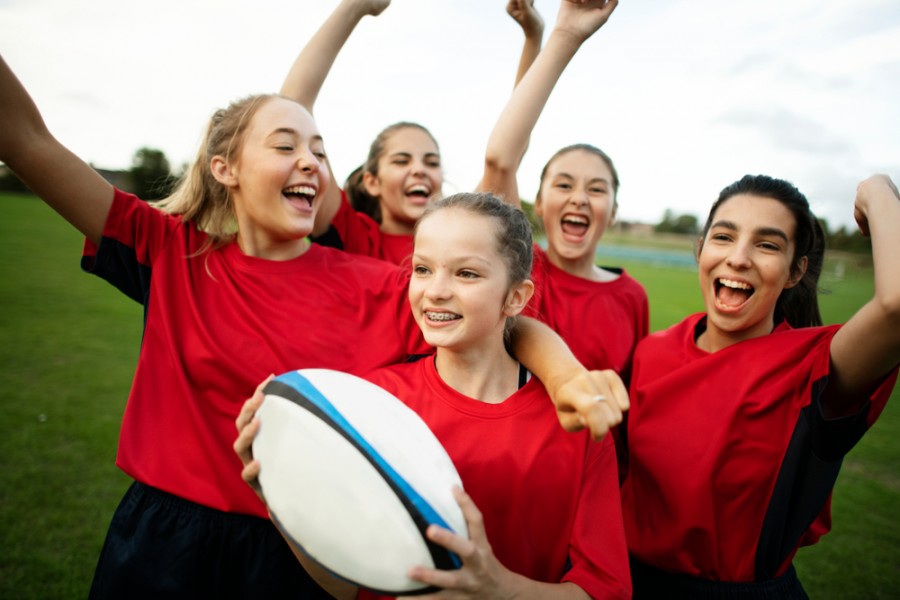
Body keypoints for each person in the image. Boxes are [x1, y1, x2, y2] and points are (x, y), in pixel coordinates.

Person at [0, 52, 620, 598]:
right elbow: (24, 137)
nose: (311, 162)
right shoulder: (170, 254)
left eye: (320, 151)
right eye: (287, 146)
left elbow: (504, 327)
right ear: (224, 168)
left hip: (311, 552)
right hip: (165, 541)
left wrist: (566, 378)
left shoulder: (377, 284)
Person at [235, 192, 632, 599]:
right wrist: (285, 504)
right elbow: (347, 589)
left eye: (467, 274)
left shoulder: (574, 421)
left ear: (516, 297)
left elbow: (605, 592)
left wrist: (498, 589)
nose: (436, 291)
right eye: (423, 269)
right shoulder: (372, 403)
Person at [615, 174, 900, 598]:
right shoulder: (650, 352)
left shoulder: (815, 366)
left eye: (767, 245)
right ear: (700, 250)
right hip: (627, 585)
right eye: (724, 237)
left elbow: (895, 307)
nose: (739, 258)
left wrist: (878, 190)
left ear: (795, 271)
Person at [283, 0, 546, 265]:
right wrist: (355, 6)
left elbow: (507, 153)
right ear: (372, 182)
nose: (419, 170)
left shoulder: (465, 232)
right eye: (401, 160)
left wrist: (533, 39)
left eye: (431, 162)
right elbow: (294, 105)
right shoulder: (355, 236)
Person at [477, 0, 648, 386]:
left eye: (597, 189)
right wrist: (563, 36)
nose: (580, 198)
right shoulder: (520, 269)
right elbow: (502, 159)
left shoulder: (632, 296)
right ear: (537, 204)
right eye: (564, 184)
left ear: (614, 210)